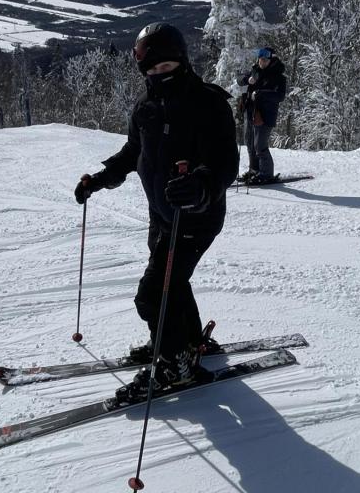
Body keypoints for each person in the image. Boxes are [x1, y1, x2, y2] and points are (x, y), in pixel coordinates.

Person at [74, 23, 238, 400]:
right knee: (173, 284)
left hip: (196, 216)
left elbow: (225, 162)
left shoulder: (207, 102)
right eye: (151, 70)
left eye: (166, 67)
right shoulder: (145, 108)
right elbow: (135, 152)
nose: (159, 75)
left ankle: (174, 365)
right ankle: (185, 342)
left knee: (152, 294)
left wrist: (200, 185)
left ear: (181, 61)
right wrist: (99, 180)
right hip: (161, 216)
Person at [238, 47, 286, 184]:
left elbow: (280, 96)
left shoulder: (278, 77)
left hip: (265, 115)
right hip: (251, 112)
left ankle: (266, 174)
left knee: (260, 146)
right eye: (260, 59)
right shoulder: (255, 71)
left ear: (272, 60)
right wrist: (247, 79)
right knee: (250, 143)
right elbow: (239, 78)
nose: (262, 62)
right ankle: (255, 170)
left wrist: (261, 93)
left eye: (265, 60)